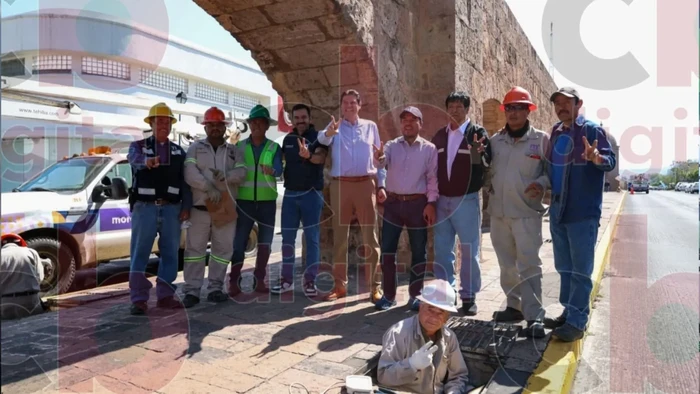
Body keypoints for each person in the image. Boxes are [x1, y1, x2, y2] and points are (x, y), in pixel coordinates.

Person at [544, 87, 616, 342]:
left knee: (580, 270)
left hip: (582, 212)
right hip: (558, 211)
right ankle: (569, 310)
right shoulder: (556, 132)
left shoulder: (592, 131)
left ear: (579, 104)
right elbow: (551, 167)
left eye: (567, 102)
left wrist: (596, 157)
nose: (561, 107)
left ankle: (577, 321)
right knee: (564, 267)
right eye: (558, 103)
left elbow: (610, 161)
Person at [486, 87, 549, 338]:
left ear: (528, 110)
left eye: (519, 108)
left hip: (526, 213)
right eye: (509, 108)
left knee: (530, 265)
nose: (513, 113)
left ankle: (535, 317)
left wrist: (542, 184)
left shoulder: (541, 140)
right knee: (506, 265)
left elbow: (551, 172)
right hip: (499, 213)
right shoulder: (494, 142)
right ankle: (514, 306)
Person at [317, 89, 383, 303]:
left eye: (353, 102)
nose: (349, 106)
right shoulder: (334, 128)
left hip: (366, 184)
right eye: (345, 103)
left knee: (370, 238)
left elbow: (379, 158)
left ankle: (375, 287)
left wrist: (381, 185)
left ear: (359, 104)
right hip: (341, 185)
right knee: (340, 238)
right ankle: (339, 286)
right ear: (341, 106)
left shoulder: (371, 126)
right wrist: (329, 132)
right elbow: (321, 140)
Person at [126, 102, 192, 315]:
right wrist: (148, 161)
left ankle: (165, 296)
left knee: (171, 253)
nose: (164, 125)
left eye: (167, 121)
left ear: (171, 125)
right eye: (159, 121)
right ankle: (138, 299)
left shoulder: (179, 152)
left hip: (172, 209)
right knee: (140, 253)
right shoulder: (138, 147)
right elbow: (134, 161)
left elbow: (185, 182)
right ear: (152, 124)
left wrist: (186, 206)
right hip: (145, 209)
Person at [431, 91, 492, 316]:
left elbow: (485, 164)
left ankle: (468, 297)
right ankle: (446, 294)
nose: (455, 110)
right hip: (441, 201)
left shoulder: (477, 134)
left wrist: (479, 153)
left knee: (469, 250)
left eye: (459, 106)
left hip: (466, 201)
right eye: (451, 106)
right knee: (442, 250)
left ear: (467, 109)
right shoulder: (439, 136)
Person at [374, 106, 438, 311]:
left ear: (420, 123)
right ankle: (389, 295)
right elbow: (382, 162)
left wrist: (431, 203)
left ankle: (416, 295)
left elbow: (432, 178)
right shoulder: (392, 146)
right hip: (393, 204)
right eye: (404, 120)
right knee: (387, 251)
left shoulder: (429, 149)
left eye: (412, 119)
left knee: (419, 251)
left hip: (417, 204)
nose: (408, 123)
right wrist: (379, 157)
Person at [182, 106, 247, 308]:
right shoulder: (195, 148)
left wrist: (227, 177)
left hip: (224, 207)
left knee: (223, 249)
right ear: (206, 127)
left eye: (219, 125)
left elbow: (242, 171)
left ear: (224, 127)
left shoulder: (233, 151)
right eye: (211, 125)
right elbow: (189, 172)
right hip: (200, 208)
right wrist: (208, 187)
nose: (215, 129)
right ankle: (192, 291)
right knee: (195, 250)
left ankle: (215, 288)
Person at [271, 103, 328, 297]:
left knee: (312, 239)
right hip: (290, 195)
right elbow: (279, 162)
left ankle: (310, 281)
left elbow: (321, 158)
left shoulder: (318, 137)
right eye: (297, 118)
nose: (300, 121)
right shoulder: (287, 139)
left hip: (312, 194)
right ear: (292, 120)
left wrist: (309, 155)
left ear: (309, 118)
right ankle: (286, 281)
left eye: (303, 117)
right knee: (288, 239)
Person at [377, 279, 472, 394]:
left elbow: (459, 375)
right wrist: (411, 365)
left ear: (447, 317)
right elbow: (383, 376)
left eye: (440, 312)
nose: (433, 317)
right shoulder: (398, 333)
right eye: (430, 310)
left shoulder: (449, 337)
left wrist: (453, 391)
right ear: (421, 307)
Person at [228, 104, 283, 296]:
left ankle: (259, 279)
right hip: (244, 202)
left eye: (261, 122)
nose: (257, 125)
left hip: (267, 203)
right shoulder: (239, 147)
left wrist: (273, 170)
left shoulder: (274, 147)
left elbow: (279, 169)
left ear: (267, 126)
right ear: (250, 125)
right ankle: (234, 280)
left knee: (265, 244)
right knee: (239, 243)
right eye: (254, 122)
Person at [0, 234, 50, 320]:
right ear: (20, 243)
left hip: (5, 303)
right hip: (31, 300)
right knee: (36, 328)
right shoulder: (31, 252)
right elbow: (39, 277)